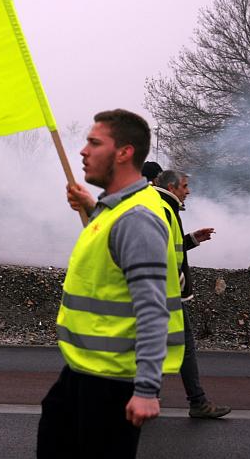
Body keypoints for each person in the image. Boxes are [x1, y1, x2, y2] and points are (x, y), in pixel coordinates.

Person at [37, 109, 184, 459]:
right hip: (83, 373)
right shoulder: (118, 209)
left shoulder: (136, 219)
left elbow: (152, 310)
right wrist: (92, 207)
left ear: (124, 152)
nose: (83, 151)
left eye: (94, 142)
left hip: (110, 384)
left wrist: (146, 390)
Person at [152, 170, 231, 419]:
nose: (188, 191)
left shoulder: (165, 207)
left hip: (163, 292)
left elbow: (171, 247)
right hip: (166, 294)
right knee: (183, 346)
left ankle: (147, 395)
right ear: (172, 187)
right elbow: (158, 253)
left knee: (158, 346)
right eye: (185, 186)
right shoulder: (163, 209)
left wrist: (193, 240)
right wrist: (175, 280)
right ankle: (196, 402)